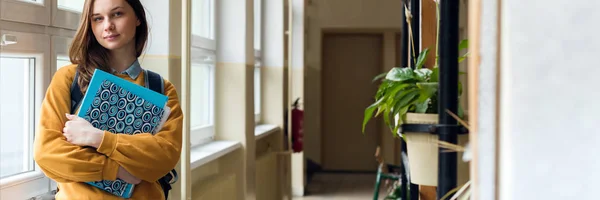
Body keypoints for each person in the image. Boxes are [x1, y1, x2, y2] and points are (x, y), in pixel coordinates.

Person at [32, 0, 182, 199]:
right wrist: (116, 170)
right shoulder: (69, 79)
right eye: (98, 18)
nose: (107, 25)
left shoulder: (160, 88)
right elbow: (48, 153)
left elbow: (164, 157)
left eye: (117, 14)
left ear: (137, 18)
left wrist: (97, 138)